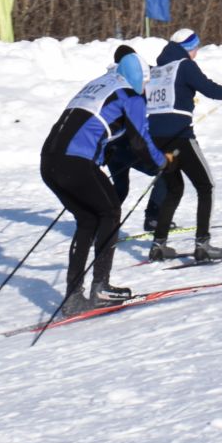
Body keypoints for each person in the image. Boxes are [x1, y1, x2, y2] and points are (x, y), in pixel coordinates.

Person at [41, 45, 170, 317]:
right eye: (146, 83)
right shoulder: (129, 94)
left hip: (49, 161)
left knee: (88, 220)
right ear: (139, 79)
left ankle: (73, 297)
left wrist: (103, 153)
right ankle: (101, 287)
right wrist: (161, 162)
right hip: (75, 162)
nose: (146, 90)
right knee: (110, 210)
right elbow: (139, 141)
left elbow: (94, 125)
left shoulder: (100, 84)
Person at [141, 28, 222, 262]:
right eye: (196, 48)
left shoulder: (157, 70)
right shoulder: (184, 65)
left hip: (156, 137)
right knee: (206, 186)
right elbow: (208, 88)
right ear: (190, 48)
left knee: (174, 189)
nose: (197, 52)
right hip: (180, 135)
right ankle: (203, 244)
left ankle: (158, 245)